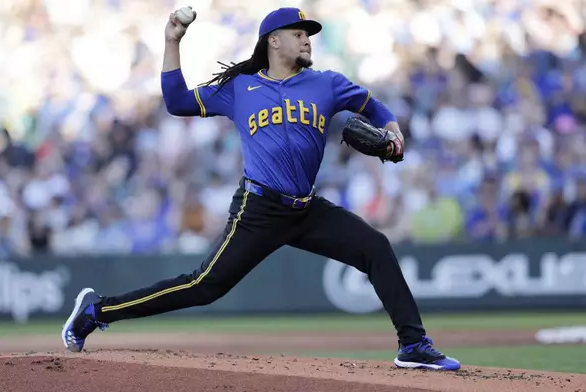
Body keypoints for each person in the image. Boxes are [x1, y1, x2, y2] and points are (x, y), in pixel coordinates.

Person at [62, 7, 461, 371]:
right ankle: (97, 310)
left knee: (375, 247)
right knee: (203, 286)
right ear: (273, 40)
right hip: (259, 209)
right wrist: (172, 42)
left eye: (309, 34)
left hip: (307, 210)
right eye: (299, 32)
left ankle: (412, 344)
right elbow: (177, 102)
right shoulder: (241, 88)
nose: (307, 39)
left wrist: (393, 132)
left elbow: (376, 108)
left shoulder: (326, 84)